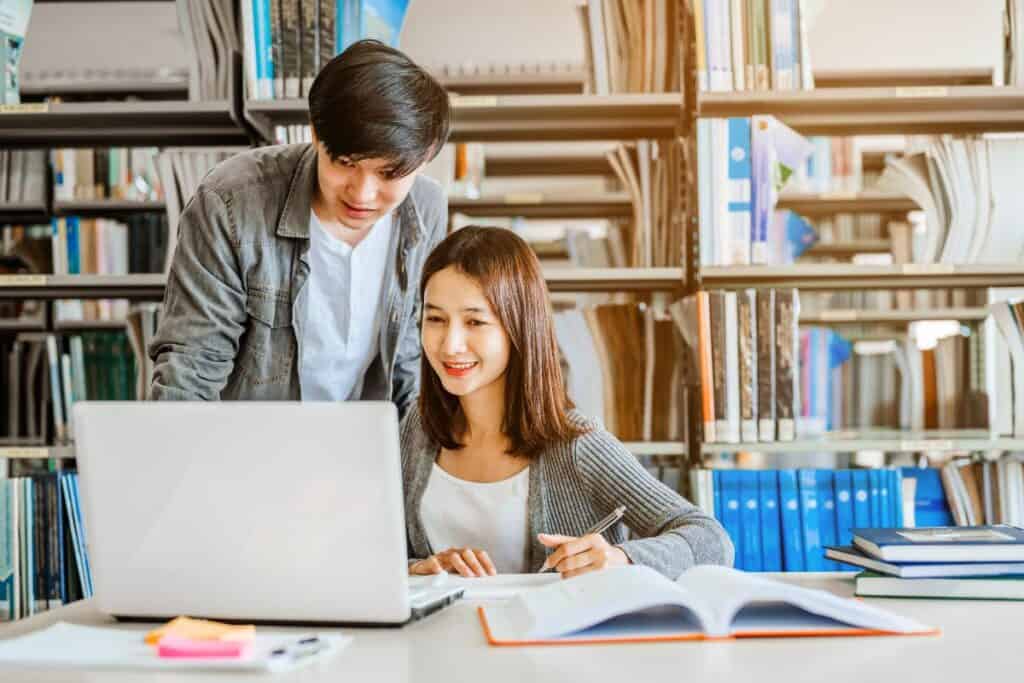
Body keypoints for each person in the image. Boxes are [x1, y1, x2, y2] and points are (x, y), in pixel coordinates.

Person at [402, 226, 734, 579]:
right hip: (441, 634)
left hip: (546, 633)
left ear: (519, 327)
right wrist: (419, 568)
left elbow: (712, 541)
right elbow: (376, 556)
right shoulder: (418, 429)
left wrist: (620, 558)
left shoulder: (576, 444)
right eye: (435, 319)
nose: (450, 344)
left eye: (475, 321)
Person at [149, 40, 450, 416]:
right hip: (249, 449)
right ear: (314, 133)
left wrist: (423, 465)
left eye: (389, 174)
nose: (363, 193)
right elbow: (191, 368)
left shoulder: (427, 208)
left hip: (366, 446)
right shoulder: (230, 202)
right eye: (344, 162)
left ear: (426, 157)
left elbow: (411, 357)